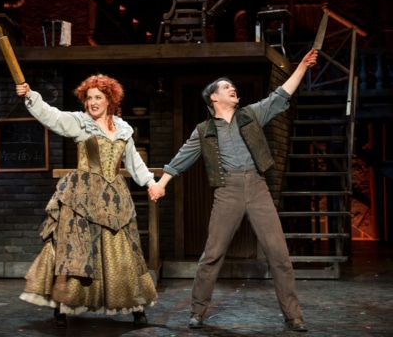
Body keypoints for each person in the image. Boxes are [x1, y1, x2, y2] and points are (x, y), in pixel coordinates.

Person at [148, 48, 319, 332]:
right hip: (227, 191)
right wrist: (160, 185)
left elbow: (281, 95)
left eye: (233, 86)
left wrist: (300, 66)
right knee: (212, 253)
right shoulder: (203, 131)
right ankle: (197, 311)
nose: (233, 89)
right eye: (226, 87)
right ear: (214, 97)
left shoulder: (250, 115)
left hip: (257, 187)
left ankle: (293, 315)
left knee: (278, 254)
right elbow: (181, 159)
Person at [16, 74, 158, 329]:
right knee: (75, 251)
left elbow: (134, 161)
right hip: (83, 196)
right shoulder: (79, 123)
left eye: (98, 98)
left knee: (122, 252)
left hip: (115, 199)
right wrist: (30, 96)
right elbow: (51, 116)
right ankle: (62, 306)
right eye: (89, 98)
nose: (92, 102)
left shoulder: (123, 128)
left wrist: (150, 183)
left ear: (110, 100)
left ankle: (136, 308)